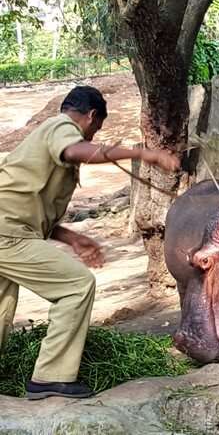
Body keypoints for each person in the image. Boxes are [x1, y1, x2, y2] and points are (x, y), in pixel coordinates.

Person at [0, 86, 180, 400]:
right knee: (76, 285)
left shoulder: (45, 138)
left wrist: (72, 237)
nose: (92, 139)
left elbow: (25, 207)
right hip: (8, 235)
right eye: (95, 131)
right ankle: (50, 377)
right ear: (91, 116)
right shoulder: (61, 127)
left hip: (10, 229)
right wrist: (141, 153)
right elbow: (73, 151)